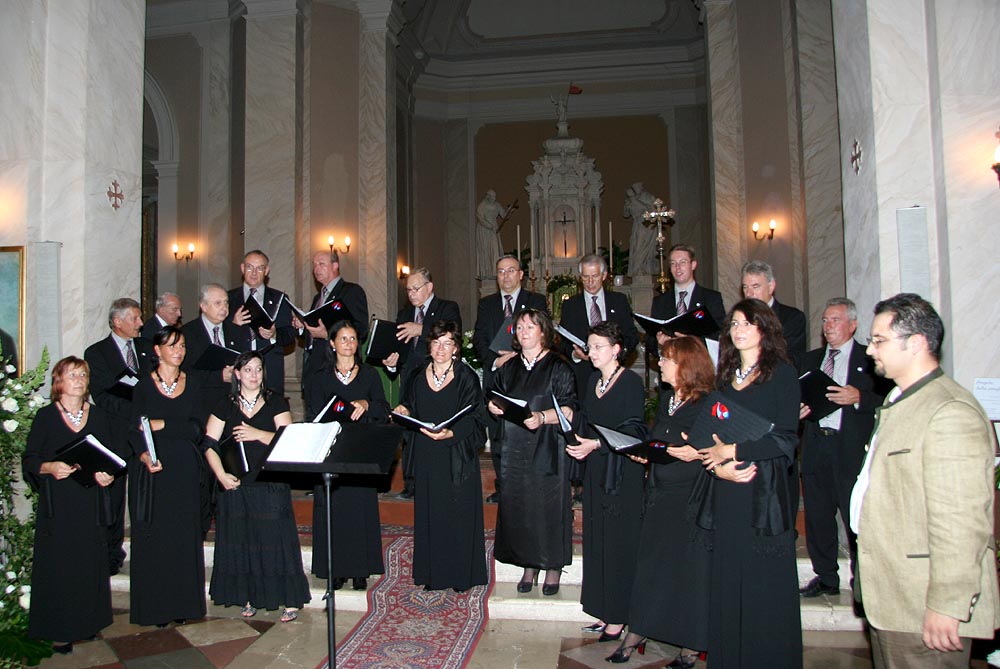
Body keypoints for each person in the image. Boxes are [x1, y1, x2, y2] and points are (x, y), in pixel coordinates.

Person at [850, 293, 999, 666]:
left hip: (923, 605)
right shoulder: (900, 400)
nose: (870, 351)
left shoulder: (949, 411)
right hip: (894, 598)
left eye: (880, 340)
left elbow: (962, 522)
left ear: (916, 343)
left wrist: (948, 605)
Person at [696, 298, 802, 666]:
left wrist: (734, 450)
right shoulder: (725, 377)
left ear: (765, 328)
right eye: (734, 324)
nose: (738, 330)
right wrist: (718, 468)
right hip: (728, 491)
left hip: (764, 491)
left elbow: (786, 439)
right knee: (728, 579)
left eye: (747, 323)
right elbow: (708, 440)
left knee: (763, 584)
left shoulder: (782, 374)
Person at [623, 337, 716, 668]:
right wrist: (645, 452)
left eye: (666, 359)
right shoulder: (667, 399)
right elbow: (660, 438)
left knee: (688, 571)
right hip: (660, 493)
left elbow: (717, 446)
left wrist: (697, 451)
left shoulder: (707, 403)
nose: (659, 363)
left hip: (688, 497)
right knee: (653, 565)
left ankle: (691, 643)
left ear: (687, 365)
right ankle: (640, 629)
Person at [202, 351, 310, 622]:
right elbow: (209, 444)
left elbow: (289, 440)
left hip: (269, 482)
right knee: (243, 541)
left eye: (258, 369)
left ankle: (288, 598)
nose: (254, 375)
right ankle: (248, 596)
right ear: (237, 374)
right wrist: (221, 475)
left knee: (274, 541)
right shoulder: (224, 404)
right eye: (248, 369)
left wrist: (258, 434)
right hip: (236, 485)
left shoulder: (276, 402)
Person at [22, 357, 119, 654]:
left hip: (90, 501)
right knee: (61, 565)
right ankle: (60, 631)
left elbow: (110, 457)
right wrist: (50, 467)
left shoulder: (99, 416)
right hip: (60, 503)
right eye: (72, 375)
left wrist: (107, 475)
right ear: (59, 381)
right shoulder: (46, 416)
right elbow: (30, 459)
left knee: (89, 562)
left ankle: (89, 622)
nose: (79, 380)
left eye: (83, 375)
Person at [798, 298, 887, 600]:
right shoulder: (811, 360)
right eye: (825, 320)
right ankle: (826, 577)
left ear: (853, 324)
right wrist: (798, 410)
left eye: (835, 320)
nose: (828, 326)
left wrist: (859, 397)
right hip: (816, 445)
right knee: (818, 516)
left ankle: (863, 581)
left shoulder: (869, 359)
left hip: (849, 448)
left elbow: (888, 399)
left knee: (854, 517)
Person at [567, 322, 646, 656]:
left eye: (599, 346)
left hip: (622, 472)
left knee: (619, 544)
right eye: (590, 346)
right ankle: (603, 609)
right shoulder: (592, 381)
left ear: (617, 349)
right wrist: (576, 436)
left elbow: (634, 429)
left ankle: (619, 616)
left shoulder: (630, 382)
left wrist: (596, 444)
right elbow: (588, 420)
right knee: (599, 540)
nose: (592, 352)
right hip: (597, 469)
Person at [488, 308, 577, 596]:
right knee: (520, 505)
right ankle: (529, 564)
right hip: (514, 447)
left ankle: (552, 566)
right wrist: (493, 406)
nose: (523, 332)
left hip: (548, 446)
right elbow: (495, 395)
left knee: (548, 507)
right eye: (520, 327)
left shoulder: (559, 366)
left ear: (543, 331)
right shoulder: (509, 367)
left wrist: (542, 417)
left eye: (530, 327)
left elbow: (569, 410)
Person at [393, 320, 487, 592]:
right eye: (436, 342)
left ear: (456, 348)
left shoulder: (466, 377)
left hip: (457, 455)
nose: (441, 349)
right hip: (427, 454)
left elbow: (476, 418)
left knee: (457, 515)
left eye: (447, 343)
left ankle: (460, 575)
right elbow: (410, 405)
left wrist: (451, 433)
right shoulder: (417, 375)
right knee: (431, 514)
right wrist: (403, 410)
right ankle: (433, 574)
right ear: (429, 346)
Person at [128, 325, 207, 627]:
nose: (179, 351)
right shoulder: (143, 386)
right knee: (156, 537)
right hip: (154, 468)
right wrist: (143, 454)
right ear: (157, 350)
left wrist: (161, 424)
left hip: (185, 468)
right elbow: (134, 429)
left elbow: (197, 428)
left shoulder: (194, 382)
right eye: (172, 345)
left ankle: (183, 604)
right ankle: (157, 608)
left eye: (182, 345)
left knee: (183, 536)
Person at [304, 320, 389, 590]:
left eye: (353, 339)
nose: (349, 343)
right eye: (343, 338)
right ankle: (336, 569)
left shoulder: (369, 375)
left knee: (359, 508)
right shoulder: (320, 377)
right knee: (334, 510)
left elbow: (383, 408)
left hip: (360, 449)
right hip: (331, 449)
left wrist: (367, 404)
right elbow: (313, 415)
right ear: (332, 343)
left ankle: (360, 569)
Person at [85, 297, 156, 575]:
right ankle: (111, 555)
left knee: (145, 494)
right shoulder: (97, 353)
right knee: (113, 498)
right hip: (114, 432)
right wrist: (136, 412)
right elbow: (101, 394)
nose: (140, 323)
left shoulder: (147, 347)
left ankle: (148, 551)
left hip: (145, 433)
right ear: (117, 322)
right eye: (135, 318)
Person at [472, 254, 548, 503]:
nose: (506, 276)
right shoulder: (486, 304)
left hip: (528, 377)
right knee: (498, 435)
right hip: (497, 377)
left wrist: (518, 357)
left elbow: (545, 335)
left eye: (511, 270)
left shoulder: (535, 301)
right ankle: (502, 486)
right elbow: (480, 339)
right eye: (501, 271)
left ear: (521, 274)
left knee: (527, 432)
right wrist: (496, 361)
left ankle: (528, 485)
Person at [383, 267, 462, 499]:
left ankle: (440, 480)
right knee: (410, 433)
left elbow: (453, 332)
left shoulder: (447, 307)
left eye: (415, 289)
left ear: (429, 287)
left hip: (439, 380)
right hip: (411, 381)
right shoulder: (404, 314)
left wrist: (420, 329)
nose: (411, 294)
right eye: (408, 290)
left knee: (436, 429)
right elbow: (399, 348)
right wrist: (391, 362)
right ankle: (411, 484)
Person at [557, 254, 639, 396]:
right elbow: (562, 341)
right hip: (583, 377)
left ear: (604, 275)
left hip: (615, 373)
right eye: (585, 277)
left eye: (594, 276)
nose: (590, 282)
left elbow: (631, 335)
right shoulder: (570, 306)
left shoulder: (619, 301)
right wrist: (575, 354)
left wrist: (617, 353)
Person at [295, 250, 370, 385]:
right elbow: (314, 333)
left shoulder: (351, 291)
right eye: (314, 265)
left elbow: (361, 329)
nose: (316, 269)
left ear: (335, 266)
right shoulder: (318, 298)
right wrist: (303, 327)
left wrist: (328, 335)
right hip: (313, 368)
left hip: (337, 368)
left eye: (321, 264)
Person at [227, 250, 295, 395]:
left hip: (270, 371)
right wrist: (233, 325)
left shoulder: (279, 298)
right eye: (249, 267)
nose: (254, 273)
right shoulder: (228, 299)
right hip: (238, 371)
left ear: (266, 271)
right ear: (242, 268)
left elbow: (290, 336)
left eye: (259, 268)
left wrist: (274, 334)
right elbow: (217, 337)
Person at [181, 283, 245, 425]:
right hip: (201, 405)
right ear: (203, 306)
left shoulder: (237, 331)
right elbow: (184, 372)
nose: (224, 307)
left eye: (226, 302)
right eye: (218, 303)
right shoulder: (187, 333)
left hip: (231, 405)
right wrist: (219, 376)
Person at [648, 244, 726, 351]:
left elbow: (720, 336)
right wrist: (659, 343)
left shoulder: (711, 298)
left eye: (682, 262)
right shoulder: (660, 302)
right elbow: (650, 341)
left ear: (693, 265)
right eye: (673, 263)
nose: (677, 267)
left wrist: (690, 342)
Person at [740, 260, 806, 366]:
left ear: (771, 287)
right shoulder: (738, 319)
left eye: (755, 287)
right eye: (745, 287)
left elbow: (792, 360)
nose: (748, 293)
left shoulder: (792, 318)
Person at [475, 190, 513, 279]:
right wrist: (489, 226)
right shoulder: (482, 205)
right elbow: (480, 217)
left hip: (494, 228)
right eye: (492, 196)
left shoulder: (497, 205)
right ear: (488, 196)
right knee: (486, 249)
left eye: (494, 197)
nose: (494, 198)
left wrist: (510, 210)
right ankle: (487, 271)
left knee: (495, 248)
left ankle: (495, 270)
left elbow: (504, 215)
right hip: (484, 230)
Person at [623, 183, 658, 276]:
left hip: (647, 225)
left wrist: (635, 201)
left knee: (644, 246)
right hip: (638, 225)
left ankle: (643, 267)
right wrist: (628, 205)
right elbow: (625, 214)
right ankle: (637, 268)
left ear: (641, 187)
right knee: (637, 246)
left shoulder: (648, 197)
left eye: (637, 187)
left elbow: (653, 210)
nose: (636, 189)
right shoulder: (631, 200)